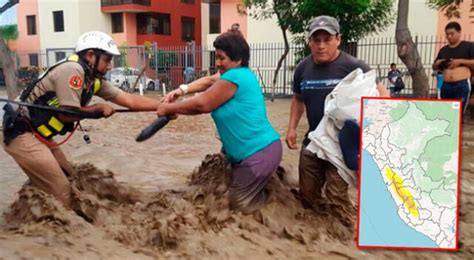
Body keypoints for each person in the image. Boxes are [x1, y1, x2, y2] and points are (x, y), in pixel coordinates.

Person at [2, 31, 162, 209]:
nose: (110, 66)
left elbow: (129, 100)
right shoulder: (73, 70)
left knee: (71, 177)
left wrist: (164, 106)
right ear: (90, 55)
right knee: (63, 192)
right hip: (19, 132)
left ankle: (23, 212)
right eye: (107, 60)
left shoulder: (93, 80)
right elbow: (67, 114)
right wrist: (96, 109)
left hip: (39, 134)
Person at [159, 30, 282, 214]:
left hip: (257, 154)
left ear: (238, 59)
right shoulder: (235, 74)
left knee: (239, 207)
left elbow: (203, 104)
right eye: (216, 57)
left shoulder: (236, 77)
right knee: (223, 195)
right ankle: (265, 191)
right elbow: (209, 81)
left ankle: (275, 207)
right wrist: (181, 91)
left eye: (222, 58)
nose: (217, 63)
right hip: (253, 154)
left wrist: (169, 108)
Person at [285, 16, 389, 214]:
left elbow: (381, 95)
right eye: (316, 40)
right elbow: (298, 99)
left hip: (343, 144)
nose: (322, 45)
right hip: (314, 140)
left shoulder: (355, 67)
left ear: (338, 39)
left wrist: (375, 132)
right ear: (309, 42)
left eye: (327, 39)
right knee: (308, 198)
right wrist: (291, 129)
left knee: (336, 199)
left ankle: (345, 230)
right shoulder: (302, 69)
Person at [432, 21, 474, 112]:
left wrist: (460, 61)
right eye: (447, 34)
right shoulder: (443, 50)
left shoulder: (468, 46)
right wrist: (438, 63)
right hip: (446, 84)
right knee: (445, 112)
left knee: (458, 112)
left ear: (459, 32)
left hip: (461, 84)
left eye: (452, 33)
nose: (449, 36)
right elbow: (434, 66)